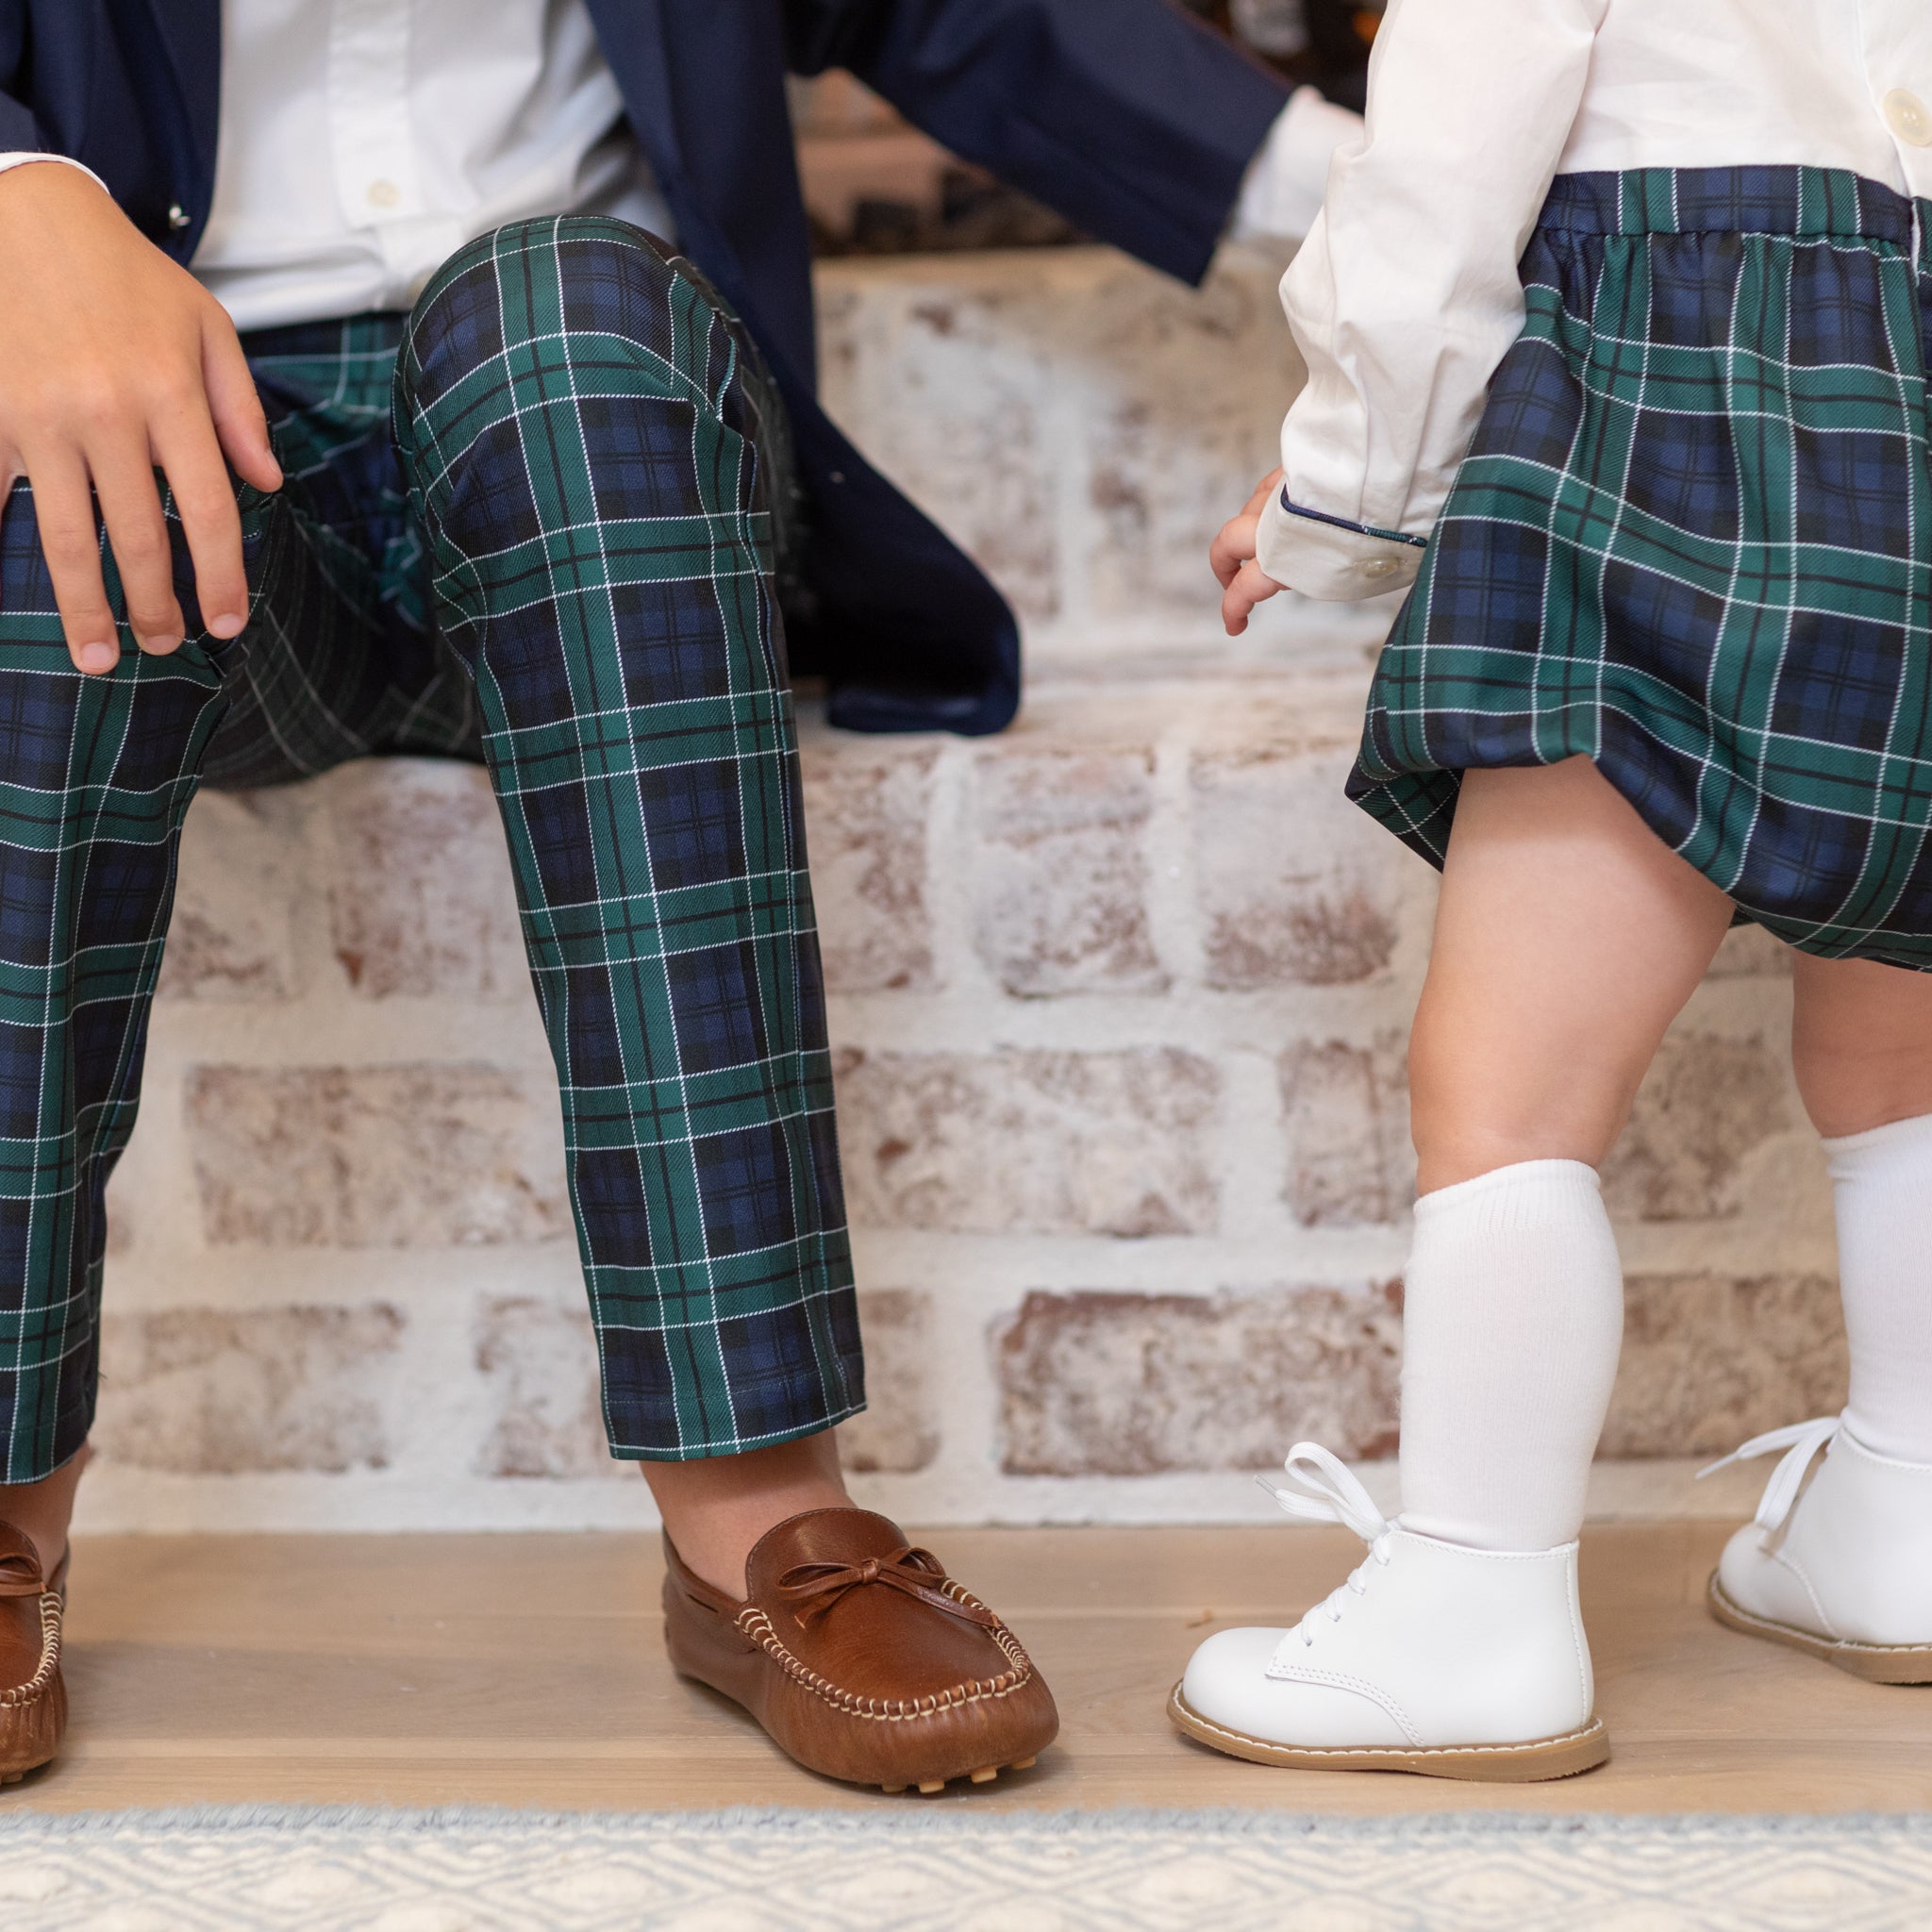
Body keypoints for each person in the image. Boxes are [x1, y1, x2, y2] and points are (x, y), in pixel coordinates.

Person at [0, 2, 1357, 1790]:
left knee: (564, 318)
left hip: (600, 461)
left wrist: (1438, 224)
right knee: (44, 445)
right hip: (186, 441)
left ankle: (756, 1516)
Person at [1178, 0, 1932, 1782]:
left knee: (1511, 1095)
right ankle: (1908, 1514)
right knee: (1902, 1048)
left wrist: (1342, 499)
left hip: (1681, 374)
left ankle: (1475, 1606)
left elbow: (1443, 175)